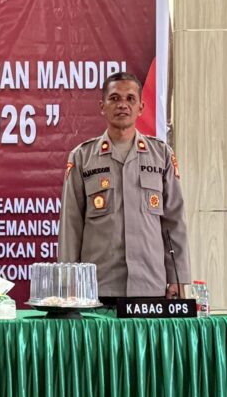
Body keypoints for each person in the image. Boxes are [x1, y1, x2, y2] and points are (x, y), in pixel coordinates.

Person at [57, 72, 190, 299]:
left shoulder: (161, 155)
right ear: (102, 106)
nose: (122, 105)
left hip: (150, 286)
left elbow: (174, 221)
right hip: (98, 288)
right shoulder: (82, 157)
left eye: (130, 99)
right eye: (114, 98)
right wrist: (68, 281)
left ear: (141, 107)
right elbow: (71, 225)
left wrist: (178, 277)